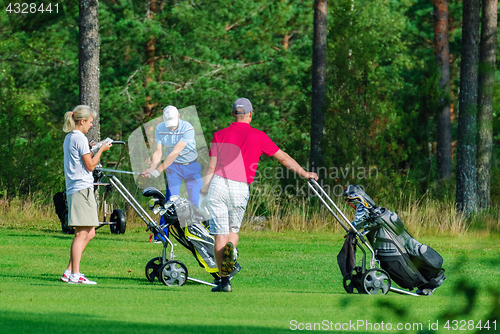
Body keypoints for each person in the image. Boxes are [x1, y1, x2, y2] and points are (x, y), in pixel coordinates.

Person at [200, 97, 319, 292]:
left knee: (219, 235)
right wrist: (305, 173)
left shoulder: (220, 134)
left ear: (232, 114)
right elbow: (284, 158)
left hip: (219, 185)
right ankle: (232, 247)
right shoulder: (259, 136)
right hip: (239, 187)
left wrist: (204, 190)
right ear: (251, 115)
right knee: (232, 232)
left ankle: (224, 281)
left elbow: (211, 166)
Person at [60, 105, 112, 285]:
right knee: (81, 234)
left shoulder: (70, 138)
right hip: (81, 189)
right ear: (82, 121)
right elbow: (90, 166)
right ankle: (75, 274)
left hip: (80, 188)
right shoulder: (79, 138)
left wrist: (90, 149)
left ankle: (69, 271)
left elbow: (81, 160)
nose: (91, 125)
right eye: (90, 122)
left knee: (89, 234)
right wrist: (100, 150)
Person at [141, 106, 202, 206]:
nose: (171, 127)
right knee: (170, 202)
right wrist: (152, 168)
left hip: (191, 166)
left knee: (195, 200)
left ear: (178, 116)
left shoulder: (188, 128)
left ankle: (194, 222)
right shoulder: (159, 128)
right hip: (173, 167)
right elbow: (158, 151)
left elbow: (175, 153)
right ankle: (165, 222)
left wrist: (158, 170)